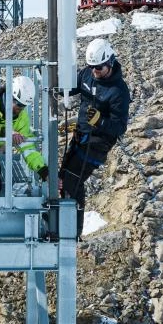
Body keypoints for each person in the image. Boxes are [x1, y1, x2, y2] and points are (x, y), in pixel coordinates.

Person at [61, 37, 130, 237]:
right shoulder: (87, 75)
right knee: (63, 178)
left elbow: (119, 127)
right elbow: (70, 86)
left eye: (99, 68)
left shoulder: (118, 92)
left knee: (72, 180)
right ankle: (66, 225)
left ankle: (73, 231)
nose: (94, 71)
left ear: (109, 63)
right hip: (81, 136)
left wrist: (100, 121)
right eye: (92, 67)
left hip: (98, 144)